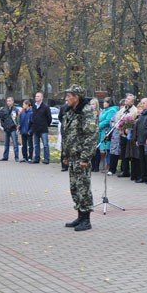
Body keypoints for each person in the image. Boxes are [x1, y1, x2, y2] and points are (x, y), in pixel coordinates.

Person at [62, 85, 98, 231]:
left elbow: (90, 136)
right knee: (75, 188)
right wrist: (65, 155)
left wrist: (85, 158)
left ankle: (86, 220)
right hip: (72, 156)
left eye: (69, 96)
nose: (66, 98)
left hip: (81, 157)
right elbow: (67, 135)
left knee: (83, 188)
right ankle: (80, 216)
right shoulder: (71, 112)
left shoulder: (86, 112)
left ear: (77, 97)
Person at [117, 94, 138, 177]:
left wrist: (126, 128)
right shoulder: (122, 110)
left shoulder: (135, 110)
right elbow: (118, 119)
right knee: (123, 153)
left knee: (130, 153)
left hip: (130, 135)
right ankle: (124, 170)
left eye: (129, 99)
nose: (126, 100)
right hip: (122, 134)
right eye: (126, 98)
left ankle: (133, 172)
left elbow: (133, 121)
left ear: (132, 101)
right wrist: (119, 128)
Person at [98, 97, 119, 173]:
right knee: (103, 149)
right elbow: (100, 119)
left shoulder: (112, 110)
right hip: (102, 131)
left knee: (108, 149)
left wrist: (98, 126)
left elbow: (107, 121)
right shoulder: (104, 110)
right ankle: (104, 166)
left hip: (108, 131)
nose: (103, 103)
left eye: (105, 102)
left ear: (109, 103)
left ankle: (109, 166)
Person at [31, 92, 52, 164]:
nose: (36, 97)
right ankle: (37, 158)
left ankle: (46, 159)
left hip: (43, 129)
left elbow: (49, 118)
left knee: (45, 144)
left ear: (41, 98)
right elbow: (33, 117)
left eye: (38, 96)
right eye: (36, 96)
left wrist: (46, 125)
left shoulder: (45, 107)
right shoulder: (34, 106)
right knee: (36, 144)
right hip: (35, 128)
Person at [0, 97, 20, 162]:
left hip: (13, 129)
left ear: (13, 102)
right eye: (7, 101)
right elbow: (1, 119)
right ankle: (5, 157)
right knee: (6, 144)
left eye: (10, 101)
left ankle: (16, 157)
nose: (8, 102)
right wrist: (4, 126)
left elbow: (18, 119)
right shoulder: (3, 110)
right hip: (6, 129)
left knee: (15, 144)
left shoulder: (16, 110)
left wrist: (17, 126)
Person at [108, 98, 126, 175]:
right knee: (113, 153)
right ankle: (112, 169)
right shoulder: (117, 113)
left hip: (123, 135)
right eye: (121, 106)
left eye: (124, 106)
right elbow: (111, 121)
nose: (122, 107)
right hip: (115, 135)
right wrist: (114, 125)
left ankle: (123, 169)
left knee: (122, 153)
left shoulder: (128, 114)